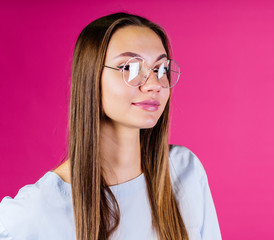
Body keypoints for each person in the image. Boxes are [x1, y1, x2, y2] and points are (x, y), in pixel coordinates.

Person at [0, 12, 221, 240]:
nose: (154, 84)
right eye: (129, 68)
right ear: (91, 77)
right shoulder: (37, 212)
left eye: (161, 69)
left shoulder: (185, 171)